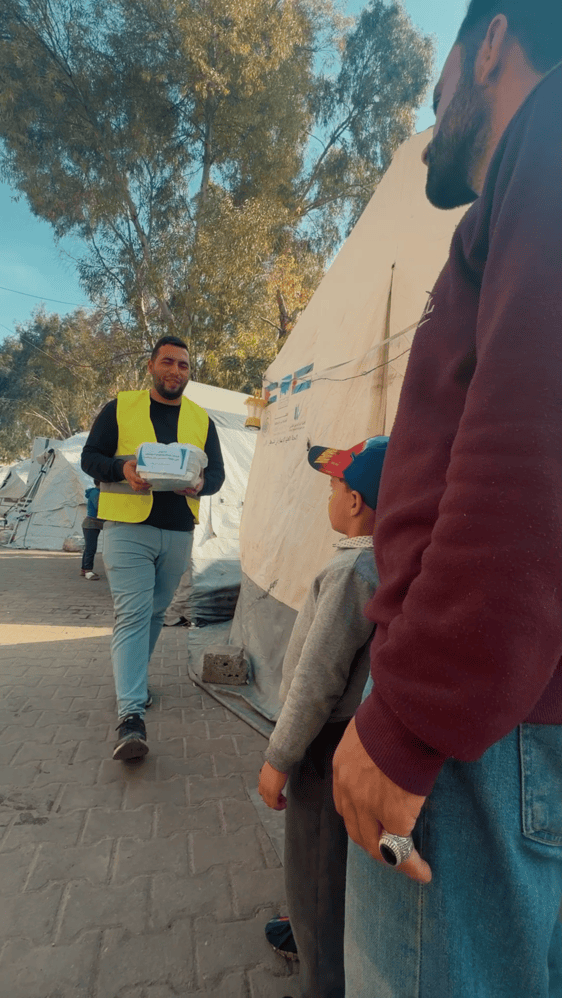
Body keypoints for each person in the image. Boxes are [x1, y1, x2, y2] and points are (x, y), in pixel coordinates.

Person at [332, 3, 562, 996]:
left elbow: (532, 446)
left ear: (493, 43)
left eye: (437, 93)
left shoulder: (547, 134)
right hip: (508, 718)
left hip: (477, 738)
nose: (430, 128)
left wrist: (408, 720)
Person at [258, 436, 388, 998]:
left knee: (314, 870)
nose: (329, 497)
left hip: (322, 748)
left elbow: (316, 682)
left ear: (354, 501)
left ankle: (322, 974)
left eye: (333, 487)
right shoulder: (391, 560)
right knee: (337, 864)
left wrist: (278, 758)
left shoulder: (352, 570)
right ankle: (313, 935)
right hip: (358, 741)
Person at [81, 335, 225, 761]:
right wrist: (121, 468)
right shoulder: (120, 407)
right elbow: (90, 457)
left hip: (178, 530)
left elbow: (217, 475)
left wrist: (201, 483)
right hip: (128, 528)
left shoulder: (202, 419)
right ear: (151, 366)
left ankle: (134, 683)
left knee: (157, 612)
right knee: (132, 613)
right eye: (167, 362)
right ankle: (130, 716)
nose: (175, 370)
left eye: (183, 365)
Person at [80, 479, 103, 580]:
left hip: (92, 524)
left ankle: (84, 569)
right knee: (91, 548)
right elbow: (100, 507)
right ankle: (88, 571)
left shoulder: (95, 492)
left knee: (89, 547)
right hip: (91, 524)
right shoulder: (96, 493)